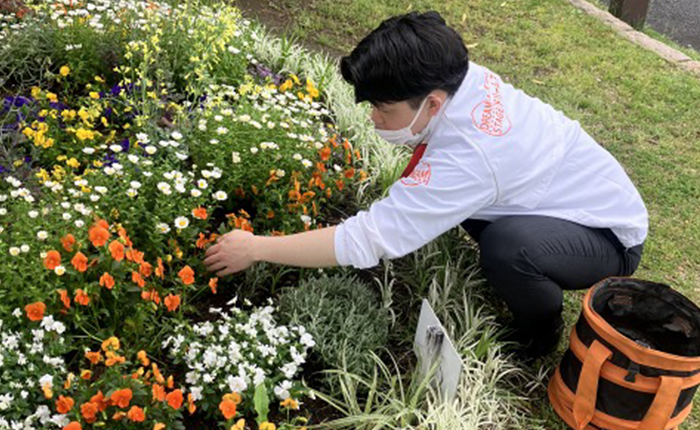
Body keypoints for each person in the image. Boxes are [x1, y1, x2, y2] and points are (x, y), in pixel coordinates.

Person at [204, 11, 647, 358]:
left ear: (433, 102)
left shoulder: (472, 157)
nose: (373, 118)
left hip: (607, 236)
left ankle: (538, 332)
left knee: (509, 248)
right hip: (546, 195)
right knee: (487, 225)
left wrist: (257, 247)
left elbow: (371, 239)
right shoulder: (453, 75)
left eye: (382, 108)